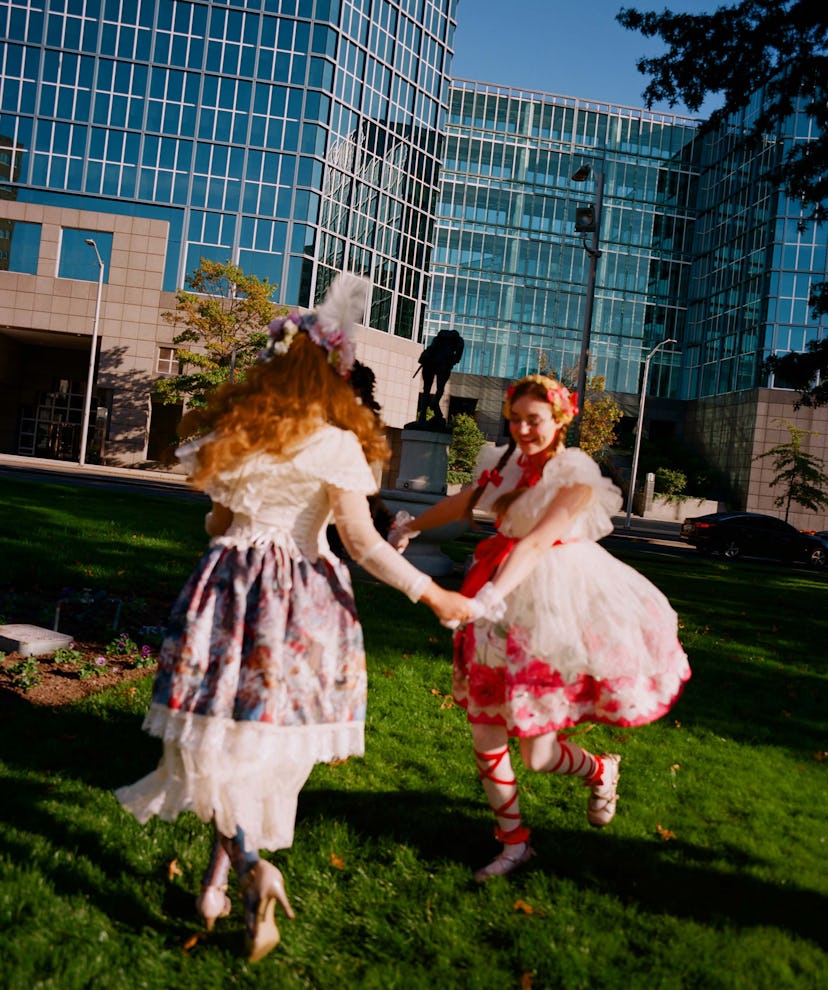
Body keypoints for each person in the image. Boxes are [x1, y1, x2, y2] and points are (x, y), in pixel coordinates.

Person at [116, 273, 472, 960]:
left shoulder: (239, 435)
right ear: (334, 374)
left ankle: (232, 875)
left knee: (220, 740)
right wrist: (432, 595)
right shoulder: (337, 444)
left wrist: (238, 540)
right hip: (302, 601)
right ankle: (240, 874)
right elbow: (363, 545)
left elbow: (218, 519)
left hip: (228, 590)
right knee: (261, 746)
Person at [389, 374, 691, 882]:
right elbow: (463, 505)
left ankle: (600, 769)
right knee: (485, 729)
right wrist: (409, 525)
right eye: (515, 418)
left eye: (535, 420)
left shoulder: (575, 473)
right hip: (496, 595)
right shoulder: (502, 463)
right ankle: (514, 843)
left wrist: (486, 597)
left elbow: (535, 544)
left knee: (539, 753)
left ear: (559, 420)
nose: (524, 429)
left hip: (547, 604)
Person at [416, 326, 465, 423]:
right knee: (440, 388)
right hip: (443, 364)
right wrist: (451, 362)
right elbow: (458, 357)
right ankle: (434, 403)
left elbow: (430, 348)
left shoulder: (438, 338)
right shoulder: (459, 341)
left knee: (426, 390)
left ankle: (423, 415)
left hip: (430, 363)